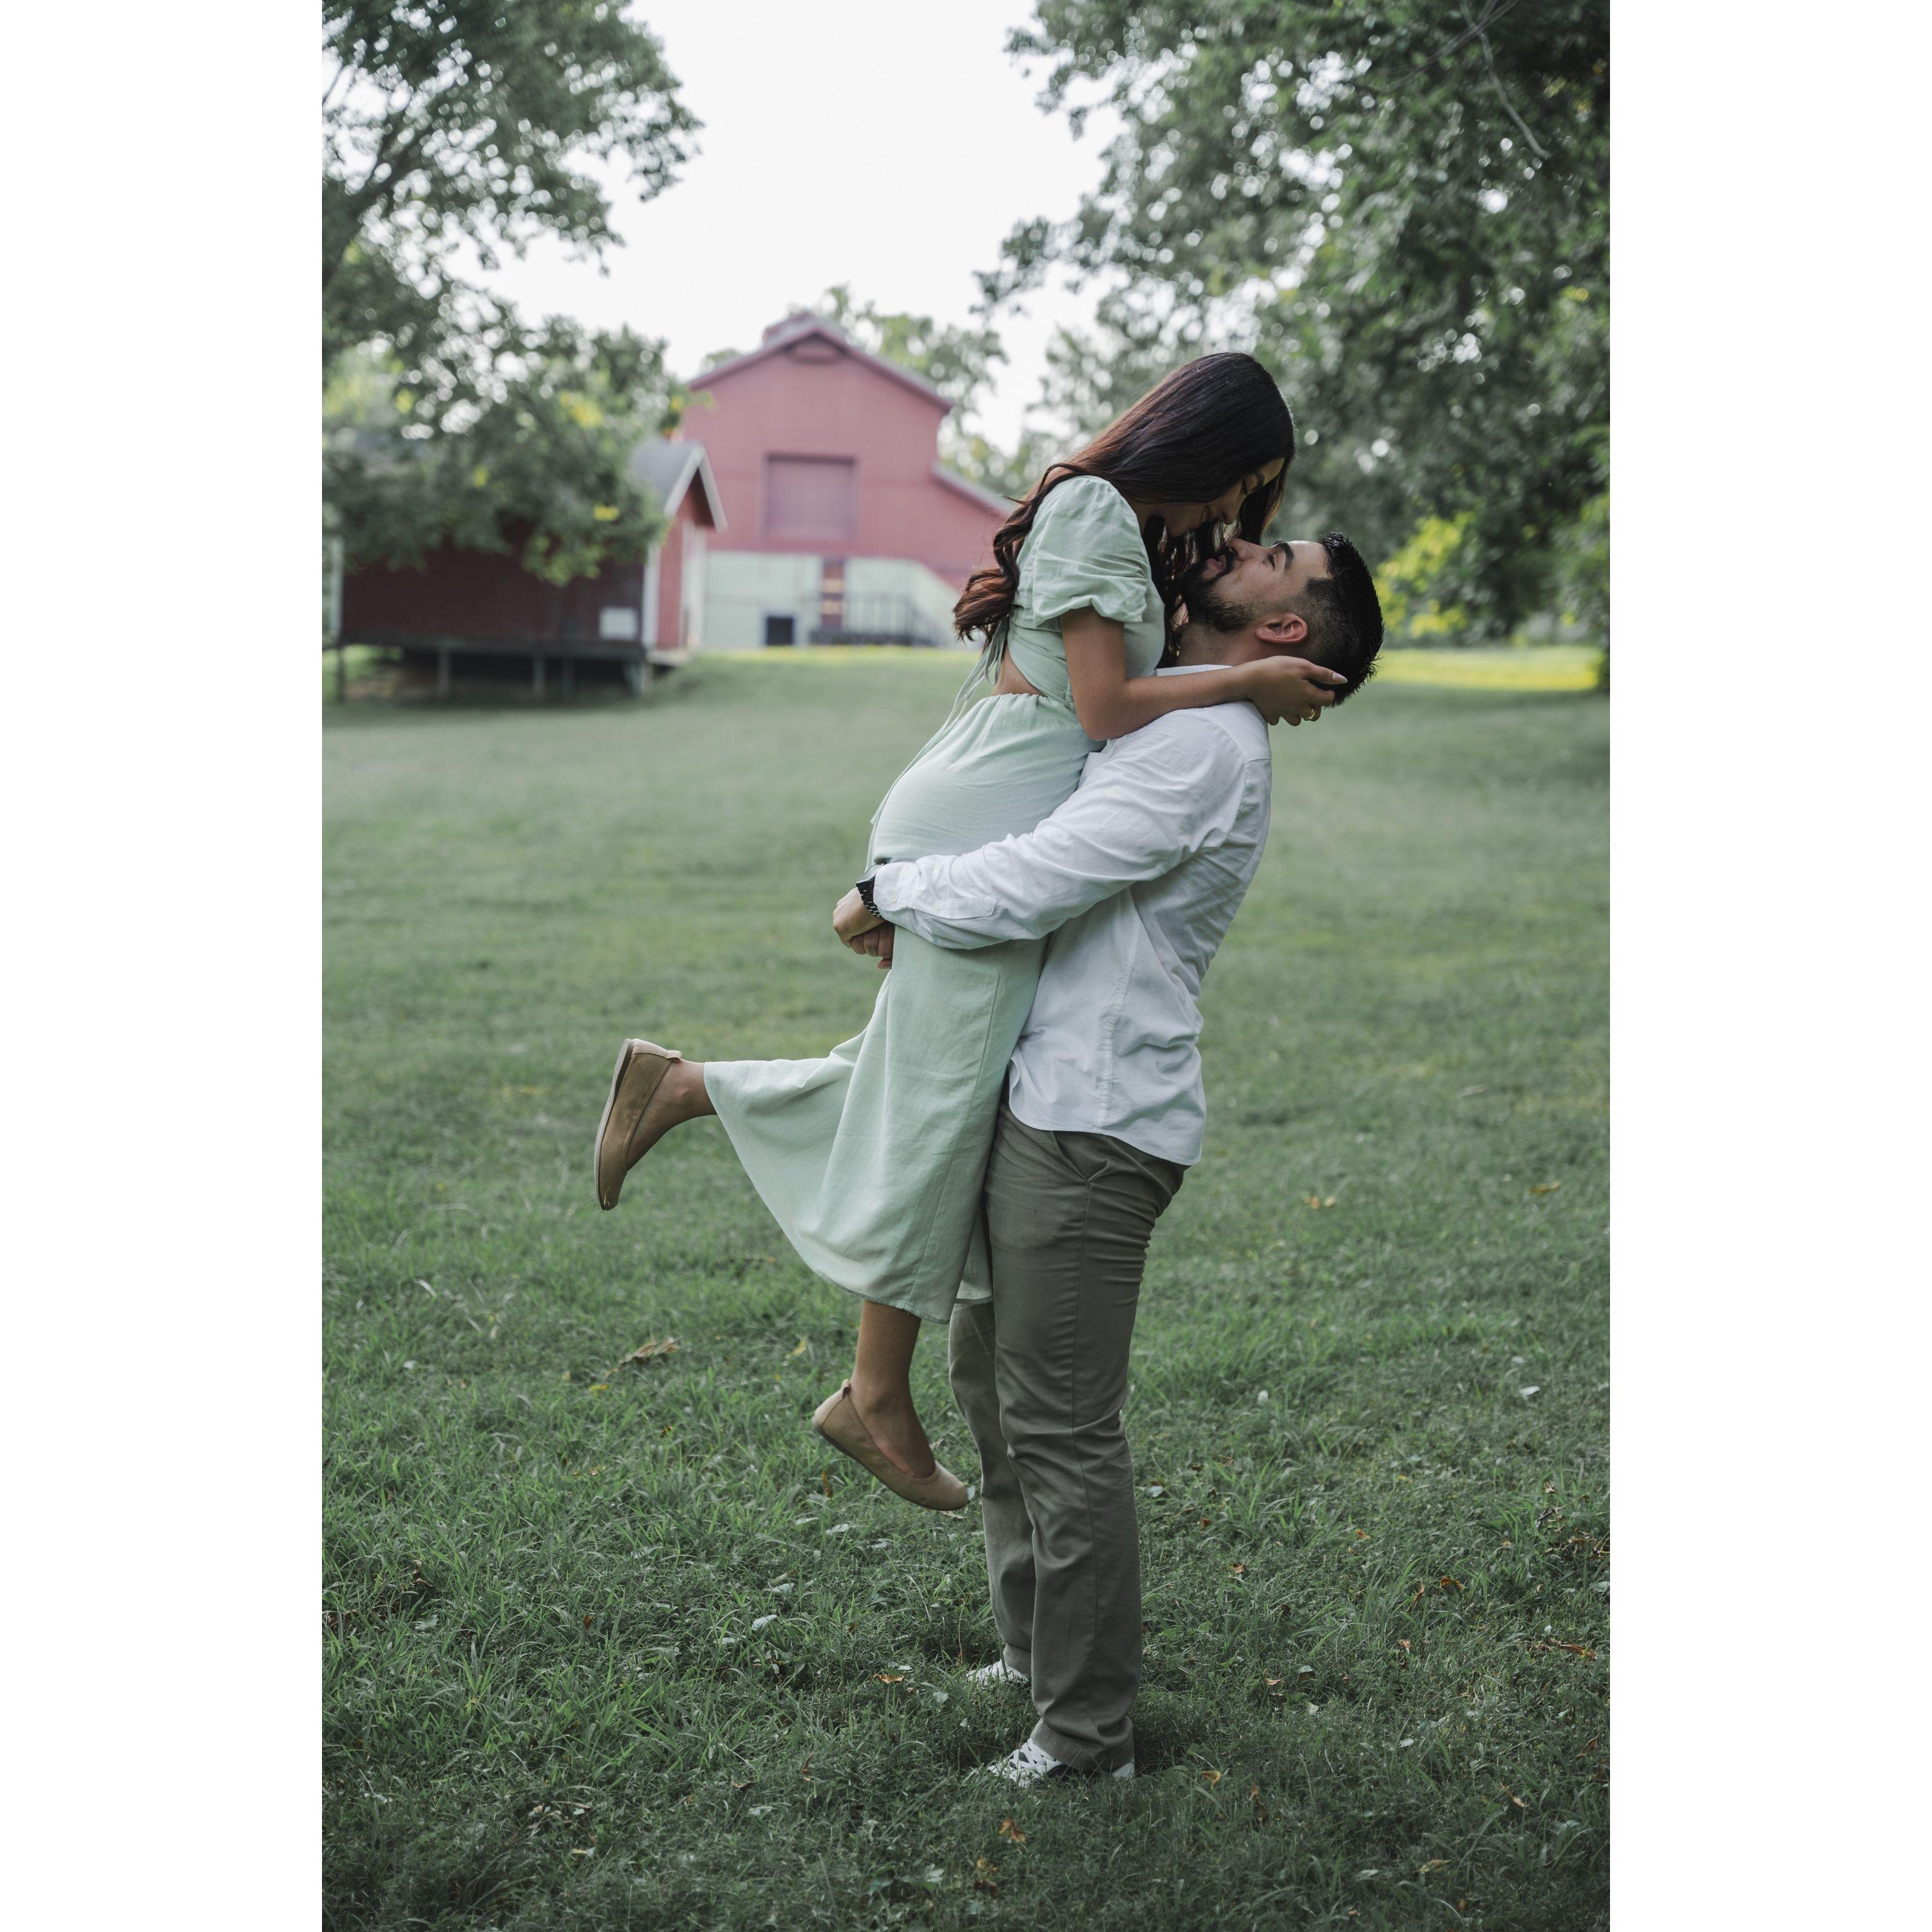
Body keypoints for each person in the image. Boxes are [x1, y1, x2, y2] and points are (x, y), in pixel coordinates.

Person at [593, 355, 1346, 1511]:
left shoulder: (1127, 528)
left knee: (925, 1075)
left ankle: (685, 1089)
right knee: (938, 1096)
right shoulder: (1096, 510)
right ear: (1206, 446)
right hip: (982, 818)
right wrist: (1247, 684)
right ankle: (872, 1391)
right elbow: (1103, 710)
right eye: (1246, 487)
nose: (1237, 518)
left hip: (992, 816)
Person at [831, 529, 1384, 1782]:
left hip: (1092, 1121)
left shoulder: (1204, 743)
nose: (1238, 544)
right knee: (994, 1391)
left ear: (1286, 627)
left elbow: (1046, 877)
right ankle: (1036, 1651)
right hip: (1041, 1092)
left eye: (1273, 555)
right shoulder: (1176, 704)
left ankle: (1085, 1737)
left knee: (1061, 1426)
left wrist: (893, 891)